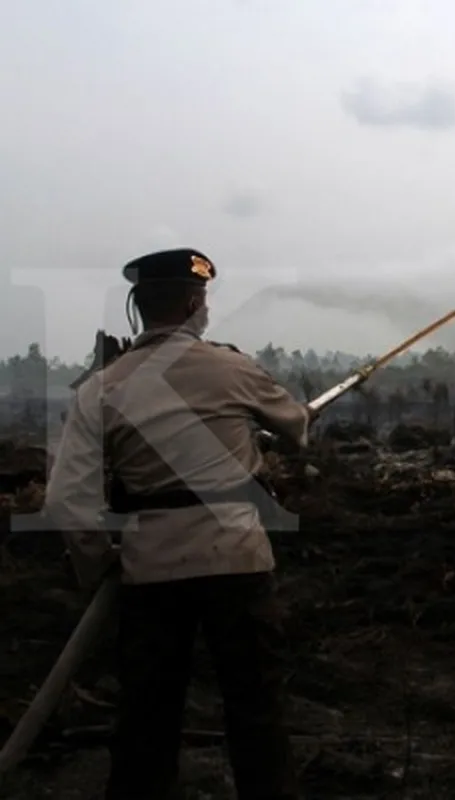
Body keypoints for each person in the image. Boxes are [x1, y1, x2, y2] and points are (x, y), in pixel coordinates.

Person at [44, 248, 311, 799]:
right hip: (236, 561)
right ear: (194, 305)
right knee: (257, 715)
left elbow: (69, 499)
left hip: (150, 571)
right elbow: (296, 425)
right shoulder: (233, 368)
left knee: (146, 721)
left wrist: (101, 563)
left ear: (138, 307)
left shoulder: (102, 388)